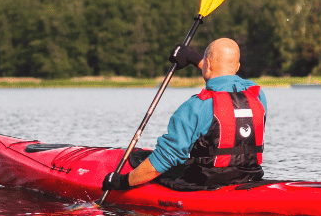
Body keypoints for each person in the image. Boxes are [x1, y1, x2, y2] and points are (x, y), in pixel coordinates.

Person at [103, 38, 267, 191]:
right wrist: (192, 58)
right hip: (250, 177)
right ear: (237, 67)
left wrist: (122, 182)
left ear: (207, 64)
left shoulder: (196, 106)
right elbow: (235, 81)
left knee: (142, 159)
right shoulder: (257, 96)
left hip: (207, 183)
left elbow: (164, 159)